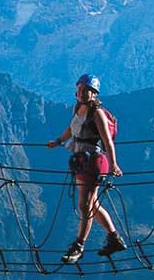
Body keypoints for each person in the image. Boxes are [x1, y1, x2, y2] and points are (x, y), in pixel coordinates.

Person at [47, 74, 127, 264]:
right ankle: (114, 238)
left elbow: (107, 141)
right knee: (91, 204)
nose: (82, 93)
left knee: (85, 205)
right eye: (81, 89)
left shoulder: (97, 113)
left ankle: (78, 246)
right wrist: (59, 141)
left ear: (94, 93)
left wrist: (114, 163)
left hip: (94, 161)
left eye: (87, 90)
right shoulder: (78, 108)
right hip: (81, 159)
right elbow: (71, 128)